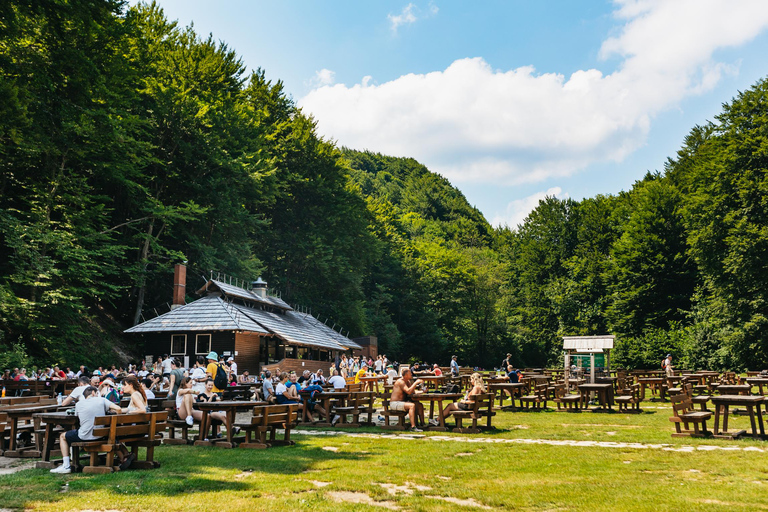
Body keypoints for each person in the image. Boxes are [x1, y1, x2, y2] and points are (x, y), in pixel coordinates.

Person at [50, 385, 123, 474]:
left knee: (62, 436)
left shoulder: (79, 404)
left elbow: (77, 417)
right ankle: (123, 458)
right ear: (93, 393)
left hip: (85, 436)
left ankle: (66, 465)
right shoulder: (102, 400)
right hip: (101, 436)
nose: (98, 395)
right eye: (97, 393)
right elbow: (118, 409)